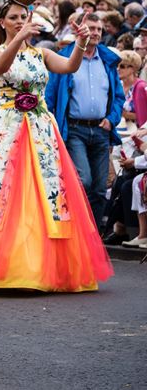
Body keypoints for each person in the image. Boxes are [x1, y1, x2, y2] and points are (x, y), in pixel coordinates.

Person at [0, 0, 112, 292]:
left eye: (23, 16)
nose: (19, 21)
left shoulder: (41, 53)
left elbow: (68, 67)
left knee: (46, 193)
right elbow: (1, 68)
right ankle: (5, 267)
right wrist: (18, 39)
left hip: (40, 128)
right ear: (1, 22)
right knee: (4, 192)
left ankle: (43, 266)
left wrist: (80, 43)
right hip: (7, 129)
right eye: (13, 17)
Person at [45, 13, 125, 231]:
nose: (96, 33)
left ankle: (93, 235)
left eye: (99, 29)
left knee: (100, 188)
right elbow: (50, 97)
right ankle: (76, 231)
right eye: (91, 28)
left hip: (100, 129)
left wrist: (112, 119)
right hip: (73, 130)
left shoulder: (108, 61)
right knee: (83, 181)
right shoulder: (63, 58)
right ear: (78, 30)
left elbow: (118, 96)